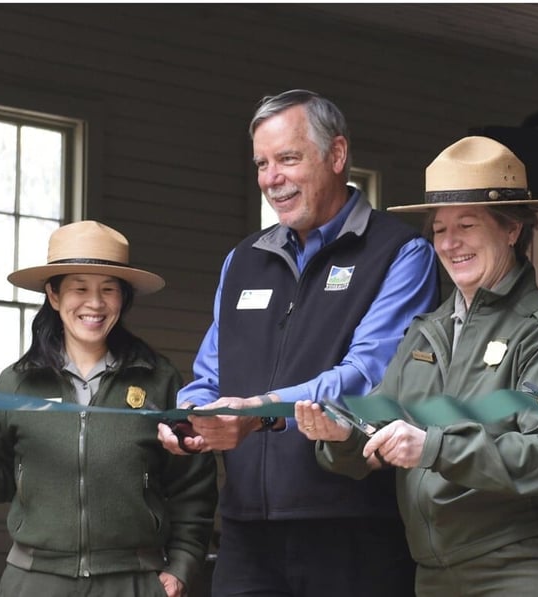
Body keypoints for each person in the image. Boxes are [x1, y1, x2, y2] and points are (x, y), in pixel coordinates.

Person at [297, 135, 538, 596]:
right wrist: (343, 436)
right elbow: (382, 423)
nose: (450, 243)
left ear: (511, 230)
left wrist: (432, 448)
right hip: (439, 571)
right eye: (440, 228)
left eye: (467, 225)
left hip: (533, 565)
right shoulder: (426, 331)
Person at [159, 89, 439, 597]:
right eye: (262, 163)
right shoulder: (241, 260)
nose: (271, 179)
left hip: (352, 528)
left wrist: (259, 409)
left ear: (336, 155)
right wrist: (191, 418)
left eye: (288, 158)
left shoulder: (401, 252)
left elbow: (368, 374)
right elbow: (209, 374)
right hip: (246, 530)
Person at [0, 220, 217, 597]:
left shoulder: (160, 380)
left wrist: (182, 566)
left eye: (108, 289)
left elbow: (194, 483)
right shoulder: (18, 382)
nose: (95, 303)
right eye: (80, 288)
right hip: (34, 579)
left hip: (135, 580)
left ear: (122, 298)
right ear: (54, 296)